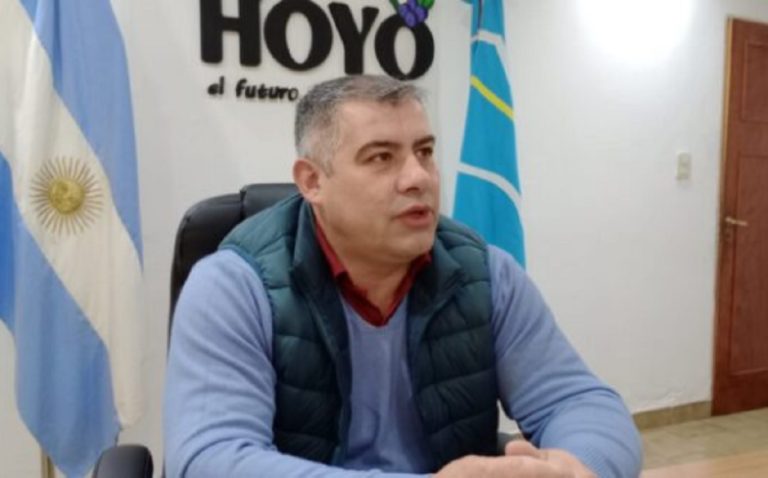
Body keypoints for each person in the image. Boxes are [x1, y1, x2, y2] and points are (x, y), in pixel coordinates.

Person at [164, 75, 642, 477]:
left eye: (425, 152)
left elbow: (580, 402)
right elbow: (211, 459)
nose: (419, 177)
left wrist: (576, 468)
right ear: (313, 181)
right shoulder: (233, 288)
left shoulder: (486, 274)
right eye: (381, 157)